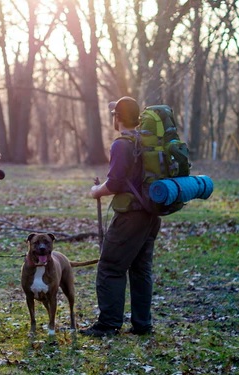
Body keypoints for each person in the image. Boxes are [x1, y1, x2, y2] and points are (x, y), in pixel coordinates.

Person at [81, 96, 161, 337]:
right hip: (151, 214)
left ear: (117, 117)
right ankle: (142, 324)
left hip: (130, 217)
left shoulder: (121, 144)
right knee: (140, 269)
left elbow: (115, 183)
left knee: (110, 267)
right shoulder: (145, 141)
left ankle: (108, 324)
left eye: (114, 114)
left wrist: (97, 191)